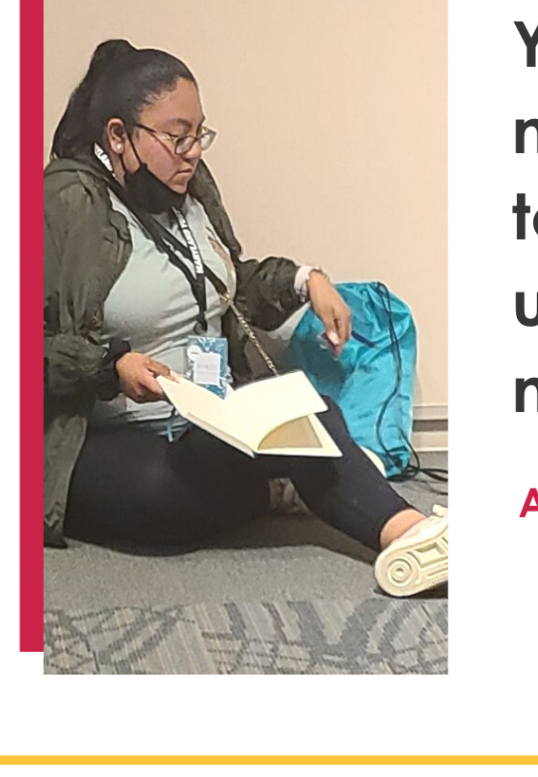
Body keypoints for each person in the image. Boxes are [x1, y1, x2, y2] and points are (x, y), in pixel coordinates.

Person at [43, 39, 448, 597]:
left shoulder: (190, 189)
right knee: (159, 499)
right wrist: (111, 367)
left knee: (311, 412)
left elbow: (231, 282)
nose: (192, 152)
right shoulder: (67, 204)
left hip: (205, 418)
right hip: (109, 437)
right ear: (119, 135)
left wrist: (308, 280)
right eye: (176, 136)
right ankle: (284, 485)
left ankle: (414, 537)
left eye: (199, 134)